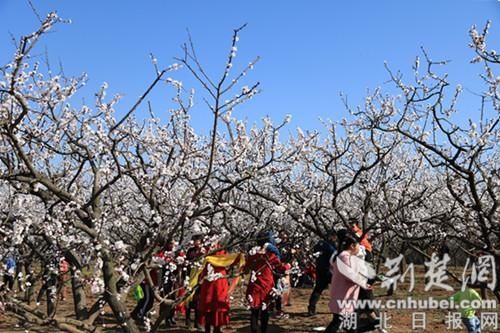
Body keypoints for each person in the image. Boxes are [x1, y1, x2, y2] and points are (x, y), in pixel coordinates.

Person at [325, 233, 379, 333]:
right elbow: (351, 276)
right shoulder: (344, 257)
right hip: (343, 297)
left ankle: (373, 325)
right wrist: (365, 281)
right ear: (352, 246)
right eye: (359, 245)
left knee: (347, 326)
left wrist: (365, 283)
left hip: (344, 296)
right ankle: (373, 325)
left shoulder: (342, 256)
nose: (360, 248)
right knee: (337, 323)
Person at [243, 232, 288, 333]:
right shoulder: (270, 254)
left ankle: (254, 330)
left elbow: (246, 268)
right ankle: (263, 330)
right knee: (265, 309)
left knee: (254, 310)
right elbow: (280, 266)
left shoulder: (252, 254)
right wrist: (287, 267)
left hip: (254, 284)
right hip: (266, 285)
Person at [196, 241, 242, 333]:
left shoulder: (215, 253)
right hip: (211, 281)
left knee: (215, 304)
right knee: (211, 304)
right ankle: (211, 328)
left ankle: (213, 328)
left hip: (217, 281)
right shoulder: (210, 253)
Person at [308, 232, 337, 316]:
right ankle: (337, 308)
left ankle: (311, 308)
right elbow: (334, 256)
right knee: (336, 289)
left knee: (317, 290)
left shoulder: (319, 245)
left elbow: (314, 254)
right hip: (329, 270)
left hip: (319, 270)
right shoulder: (330, 246)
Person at [185, 233, 206, 330]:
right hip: (190, 276)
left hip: (201, 277)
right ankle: (188, 321)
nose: (195, 243)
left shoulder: (205, 251)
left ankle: (198, 322)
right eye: (194, 241)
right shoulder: (190, 251)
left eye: (197, 241)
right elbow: (186, 263)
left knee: (198, 301)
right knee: (189, 299)